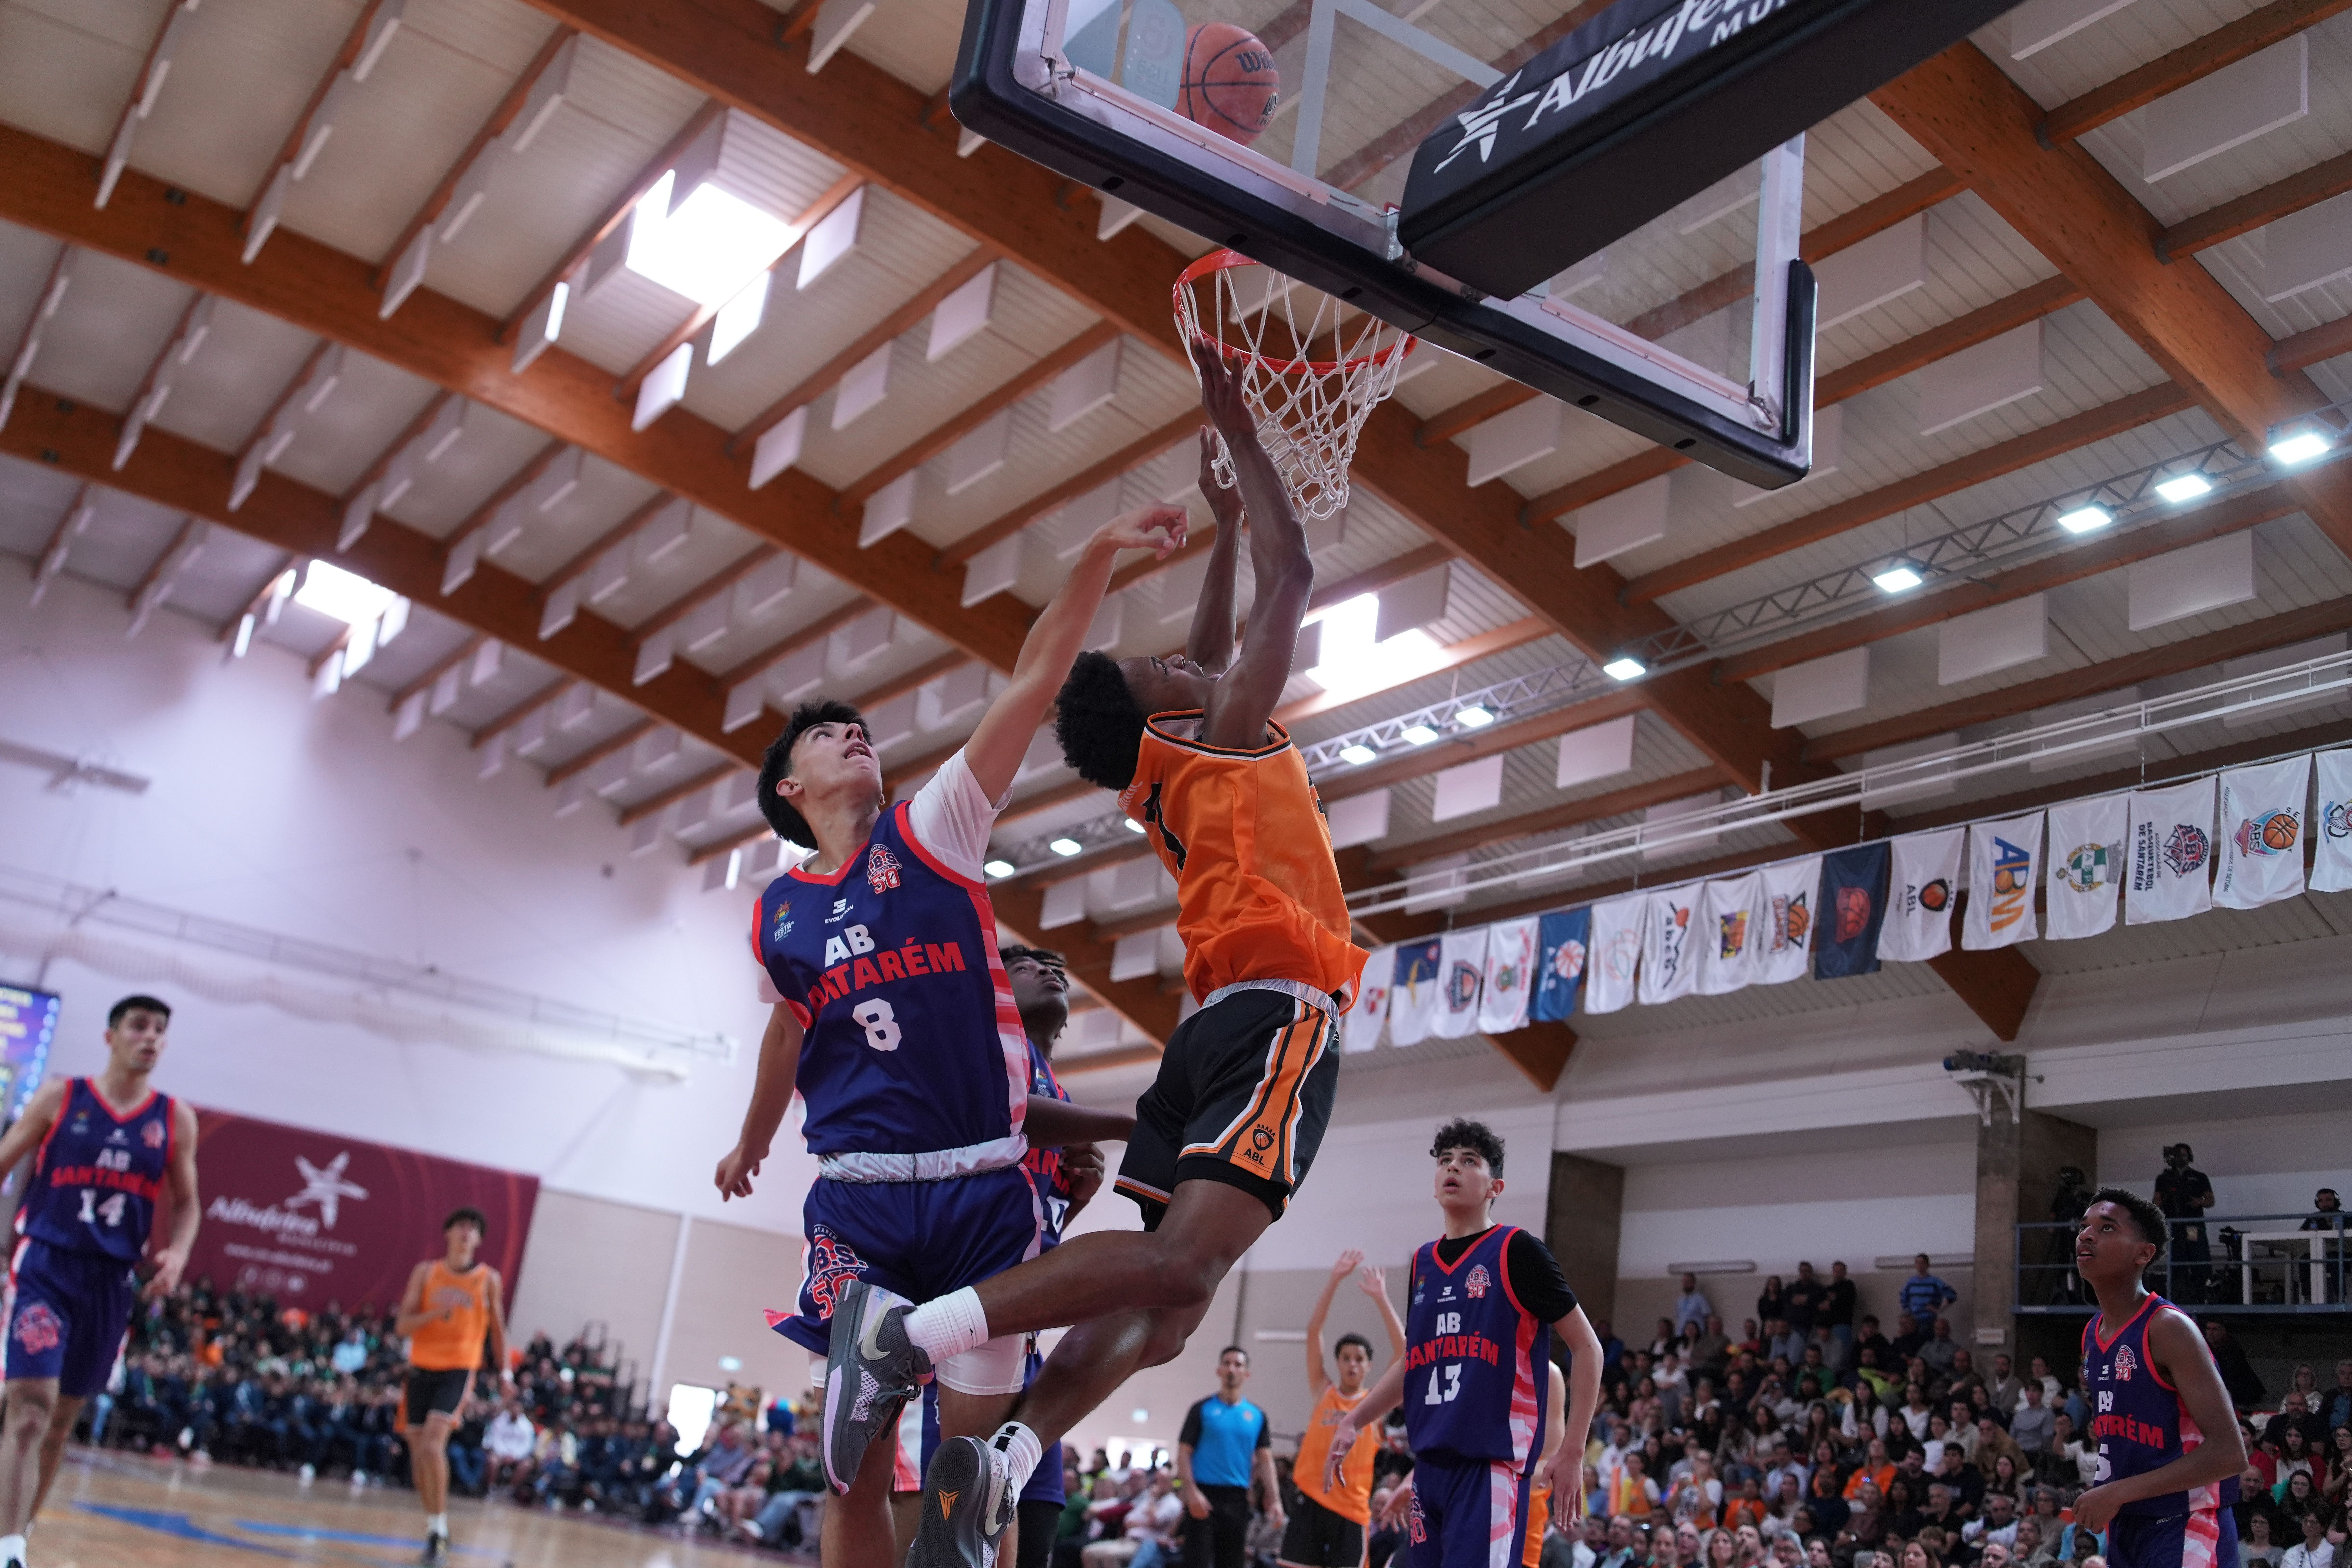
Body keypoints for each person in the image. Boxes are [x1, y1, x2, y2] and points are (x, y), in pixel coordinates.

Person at [841, 340, 1367, 1568]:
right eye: (1172, 668)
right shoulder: (1222, 738)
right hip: (1279, 1017)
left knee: (1169, 1299)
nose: (1198, 659)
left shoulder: (1162, 766)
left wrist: (1221, 528)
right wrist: (1245, 430)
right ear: (1165, 708)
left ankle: (1009, 1453)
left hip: (1209, 1029)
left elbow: (1217, 643)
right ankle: (915, 1335)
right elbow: (1294, 583)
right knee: (1182, 1265)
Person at [718, 491, 1178, 1568]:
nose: (851, 733)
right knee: (856, 1470)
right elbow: (788, 1033)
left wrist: (1098, 553)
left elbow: (1033, 673)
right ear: (792, 788)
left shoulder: (936, 827)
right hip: (861, 1200)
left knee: (973, 1490)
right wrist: (750, 1136)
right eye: (826, 735)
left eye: (856, 727)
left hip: (981, 1188)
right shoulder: (776, 913)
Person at [1319, 1120, 1604, 1568]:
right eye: (1445, 1161)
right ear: (1435, 1183)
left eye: (1469, 1161)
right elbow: (1415, 1361)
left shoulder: (1517, 1251)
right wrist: (1355, 1420)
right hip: (1429, 1470)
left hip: (1489, 1471)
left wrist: (1572, 1452)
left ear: (1496, 1186)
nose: (1453, 1167)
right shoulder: (1423, 1262)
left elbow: (1589, 1348)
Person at [0, 994, 200, 1568]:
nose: (152, 1038)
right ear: (111, 1036)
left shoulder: (172, 1118)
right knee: (32, 1406)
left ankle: (20, 1532)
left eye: (161, 1030)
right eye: (140, 1026)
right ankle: (10, 1552)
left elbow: (189, 1205)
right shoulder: (62, 1097)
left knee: (62, 1417)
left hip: (112, 1280)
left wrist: (179, 1253)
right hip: (47, 1264)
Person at [2071, 1187, 2248, 1568]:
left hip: (2187, 1520)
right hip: (2129, 1521)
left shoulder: (2168, 1327)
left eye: (2106, 1228)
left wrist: (2117, 1492)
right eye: (2084, 1226)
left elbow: (2231, 1453)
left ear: (2143, 1253)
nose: (2086, 1235)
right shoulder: (2092, 1333)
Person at [394, 1207, 513, 1564]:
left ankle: (440, 1529)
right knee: (419, 1454)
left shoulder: (487, 1278)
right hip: (421, 1367)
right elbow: (402, 1326)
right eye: (462, 1226)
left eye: (474, 1229)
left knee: (433, 1444)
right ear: (448, 1232)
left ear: (479, 1240)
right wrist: (433, 1315)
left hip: (459, 1369)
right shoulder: (427, 1272)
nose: (467, 1233)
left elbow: (498, 1329)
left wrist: (505, 1374)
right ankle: (436, 1529)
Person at [1285, 1251, 1408, 1568]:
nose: (1352, 1363)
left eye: (1359, 1359)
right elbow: (1314, 1333)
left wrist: (1382, 1298)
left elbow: (1406, 1351)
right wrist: (1334, 1280)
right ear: (1338, 1362)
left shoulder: (1374, 1404)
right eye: (1346, 1357)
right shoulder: (1323, 1391)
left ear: (1368, 1366)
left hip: (1351, 1510)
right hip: (1310, 1500)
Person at [1177, 1348, 1281, 1568]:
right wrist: (1191, 1492)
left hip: (1237, 1499)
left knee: (1232, 1564)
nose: (1232, 1368)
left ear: (1247, 1373)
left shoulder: (1257, 1415)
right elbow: (1184, 1454)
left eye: (1238, 1364)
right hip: (1204, 1495)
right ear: (1219, 1370)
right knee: (1195, 1563)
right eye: (1228, 1363)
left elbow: (1265, 1461)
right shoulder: (1201, 1409)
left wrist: (1275, 1498)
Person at [2154, 1146, 2216, 1304]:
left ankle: (2204, 1298)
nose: (2180, 1157)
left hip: (2193, 1227)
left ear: (2189, 1156)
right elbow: (2157, 1201)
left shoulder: (2199, 1177)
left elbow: (2210, 1200)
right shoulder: (2164, 1178)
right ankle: (2180, 1300)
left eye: (2184, 1154)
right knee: (2177, 1264)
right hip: (2173, 1228)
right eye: (2177, 1154)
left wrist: (2199, 1202)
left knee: (2199, 1261)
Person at [1901, 1259, 1959, 1327]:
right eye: (1918, 1263)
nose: (1920, 1266)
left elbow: (1951, 1295)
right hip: (1913, 1320)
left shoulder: (1934, 1282)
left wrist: (1940, 1309)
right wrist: (1908, 1312)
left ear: (1928, 1265)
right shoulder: (1911, 1282)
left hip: (1928, 1319)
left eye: (1923, 1263)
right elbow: (1904, 1297)